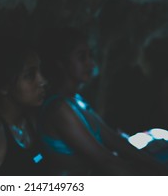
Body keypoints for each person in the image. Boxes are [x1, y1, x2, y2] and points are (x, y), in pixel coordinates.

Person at [38, 26, 167, 175]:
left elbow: (114, 140)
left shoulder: (77, 100)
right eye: (81, 57)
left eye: (90, 56)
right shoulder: (59, 109)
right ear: (61, 63)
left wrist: (154, 164)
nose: (90, 64)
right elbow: (104, 160)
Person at [0, 36, 49, 175]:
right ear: (3, 85)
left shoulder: (29, 120)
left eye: (40, 71)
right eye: (30, 75)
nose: (43, 81)